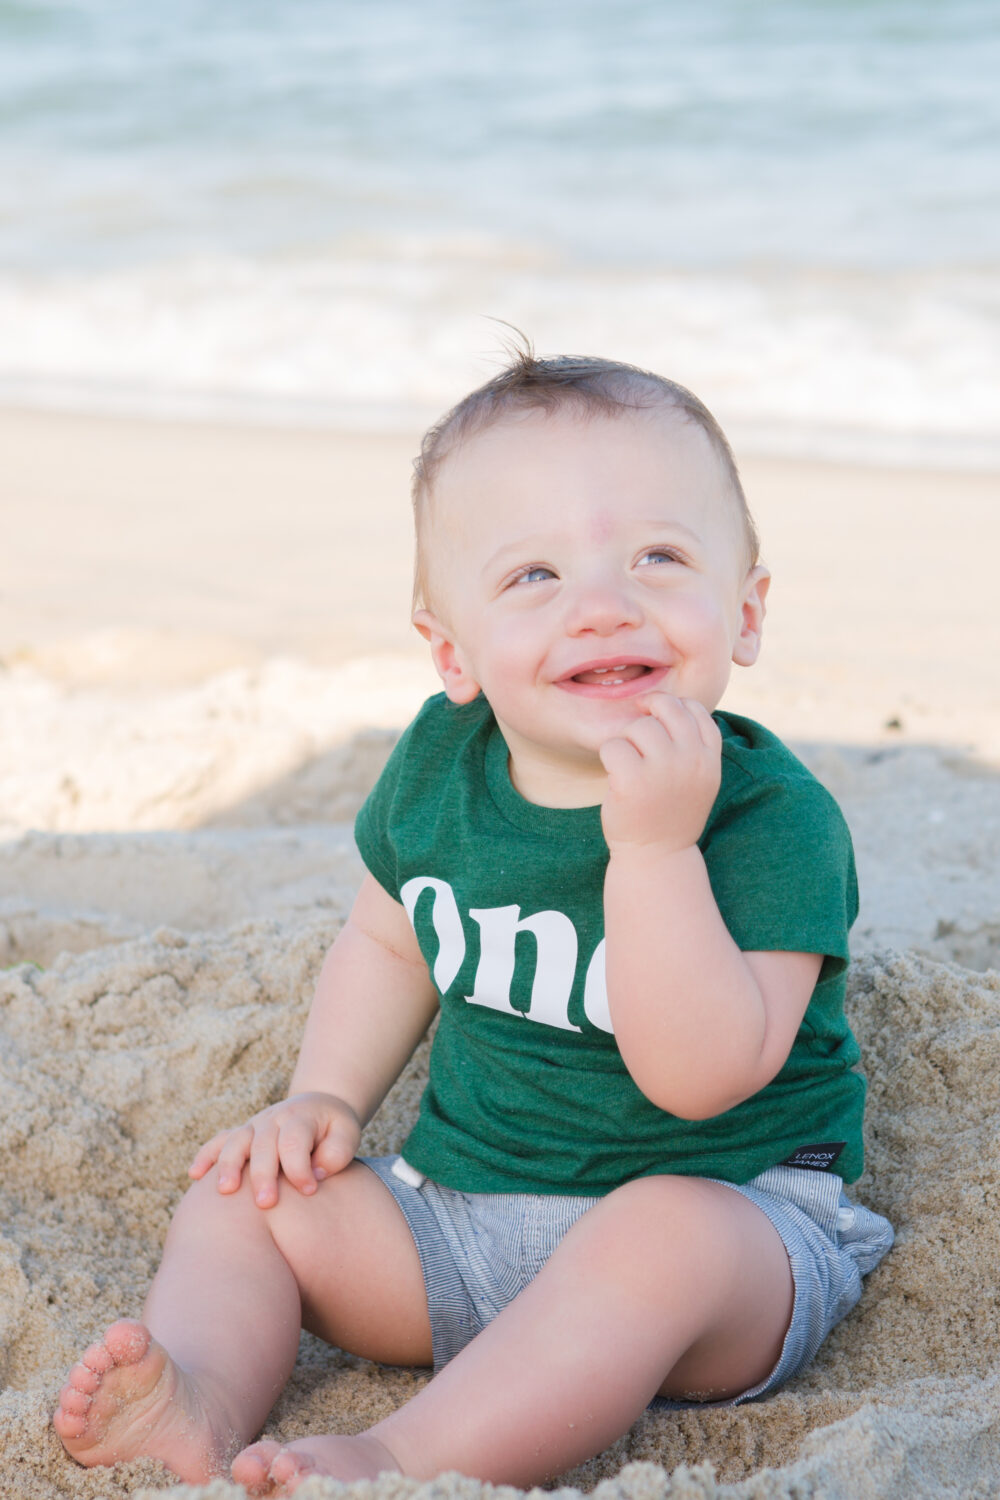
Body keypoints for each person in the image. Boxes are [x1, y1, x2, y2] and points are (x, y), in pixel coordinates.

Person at [53, 350, 893, 1497]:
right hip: (458, 1222)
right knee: (243, 1194)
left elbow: (701, 1076)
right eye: (534, 574)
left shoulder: (768, 818)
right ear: (450, 650)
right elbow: (390, 939)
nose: (603, 602)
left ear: (743, 613)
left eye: (658, 556)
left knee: (659, 1232)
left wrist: (652, 848)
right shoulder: (442, 768)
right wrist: (326, 1099)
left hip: (729, 1245)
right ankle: (197, 1399)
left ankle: (403, 1456)